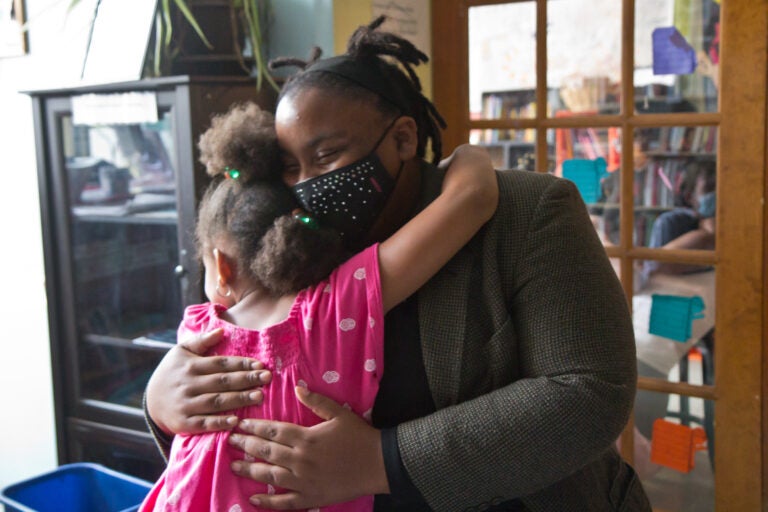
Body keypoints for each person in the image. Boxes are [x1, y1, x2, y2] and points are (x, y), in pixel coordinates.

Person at [145, 16, 651, 511]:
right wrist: (160, 404)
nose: (307, 185)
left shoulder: (529, 211)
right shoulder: (295, 237)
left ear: (404, 138)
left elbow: (589, 391)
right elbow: (243, 369)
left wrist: (382, 463)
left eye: (327, 157)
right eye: (290, 168)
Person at [139, 101, 497, 511]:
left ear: (221, 267)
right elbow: (473, 197)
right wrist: (466, 154)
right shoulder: (338, 306)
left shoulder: (198, 332)